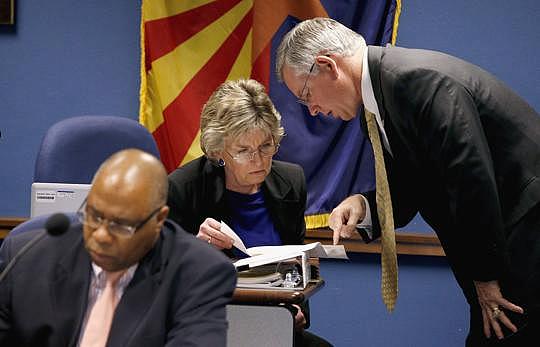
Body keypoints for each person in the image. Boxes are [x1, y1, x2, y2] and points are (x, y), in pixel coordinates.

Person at [276, 17, 540, 346]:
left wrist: (485, 278)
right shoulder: (381, 100)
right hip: (505, 242)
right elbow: (409, 191)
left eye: (305, 94)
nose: (312, 109)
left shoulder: (416, 83)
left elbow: (470, 179)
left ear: (328, 65)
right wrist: (363, 204)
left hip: (524, 234)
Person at [0, 149, 236, 347]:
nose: (101, 235)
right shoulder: (28, 257)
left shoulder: (197, 273)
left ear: (158, 220)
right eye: (93, 215)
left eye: (121, 225)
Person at [167, 78, 331, 346]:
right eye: (243, 151)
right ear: (218, 150)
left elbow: (298, 266)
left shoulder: (291, 181)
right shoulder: (183, 188)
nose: (259, 160)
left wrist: (299, 312)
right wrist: (193, 248)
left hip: (273, 319)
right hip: (210, 324)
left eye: (266, 146)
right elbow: (160, 281)